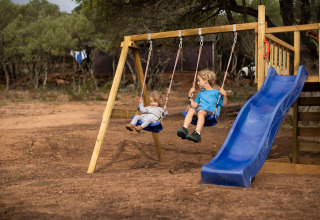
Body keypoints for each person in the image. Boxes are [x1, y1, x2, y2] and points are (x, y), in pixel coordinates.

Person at [177, 69, 228, 142]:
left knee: (201, 112)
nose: (197, 83)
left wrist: (225, 95)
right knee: (191, 110)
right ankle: (184, 129)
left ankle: (197, 133)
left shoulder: (217, 92)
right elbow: (194, 106)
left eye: (199, 80)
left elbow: (224, 105)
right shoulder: (200, 93)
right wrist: (190, 95)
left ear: (206, 80)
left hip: (210, 113)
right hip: (200, 112)